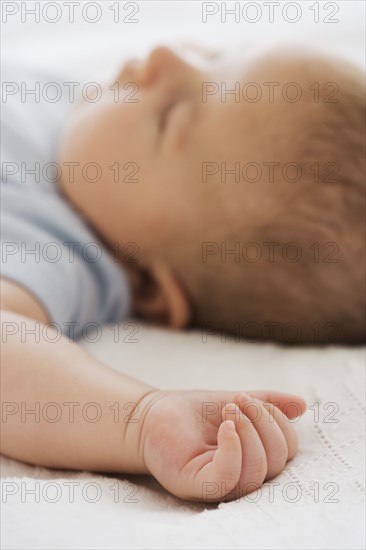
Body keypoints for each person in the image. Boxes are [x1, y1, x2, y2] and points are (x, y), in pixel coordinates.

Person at [1, 45, 364, 502]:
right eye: (210, 57)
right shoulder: (78, 117)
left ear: (151, 287)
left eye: (168, 114)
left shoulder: (54, 248)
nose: (164, 55)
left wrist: (140, 418)